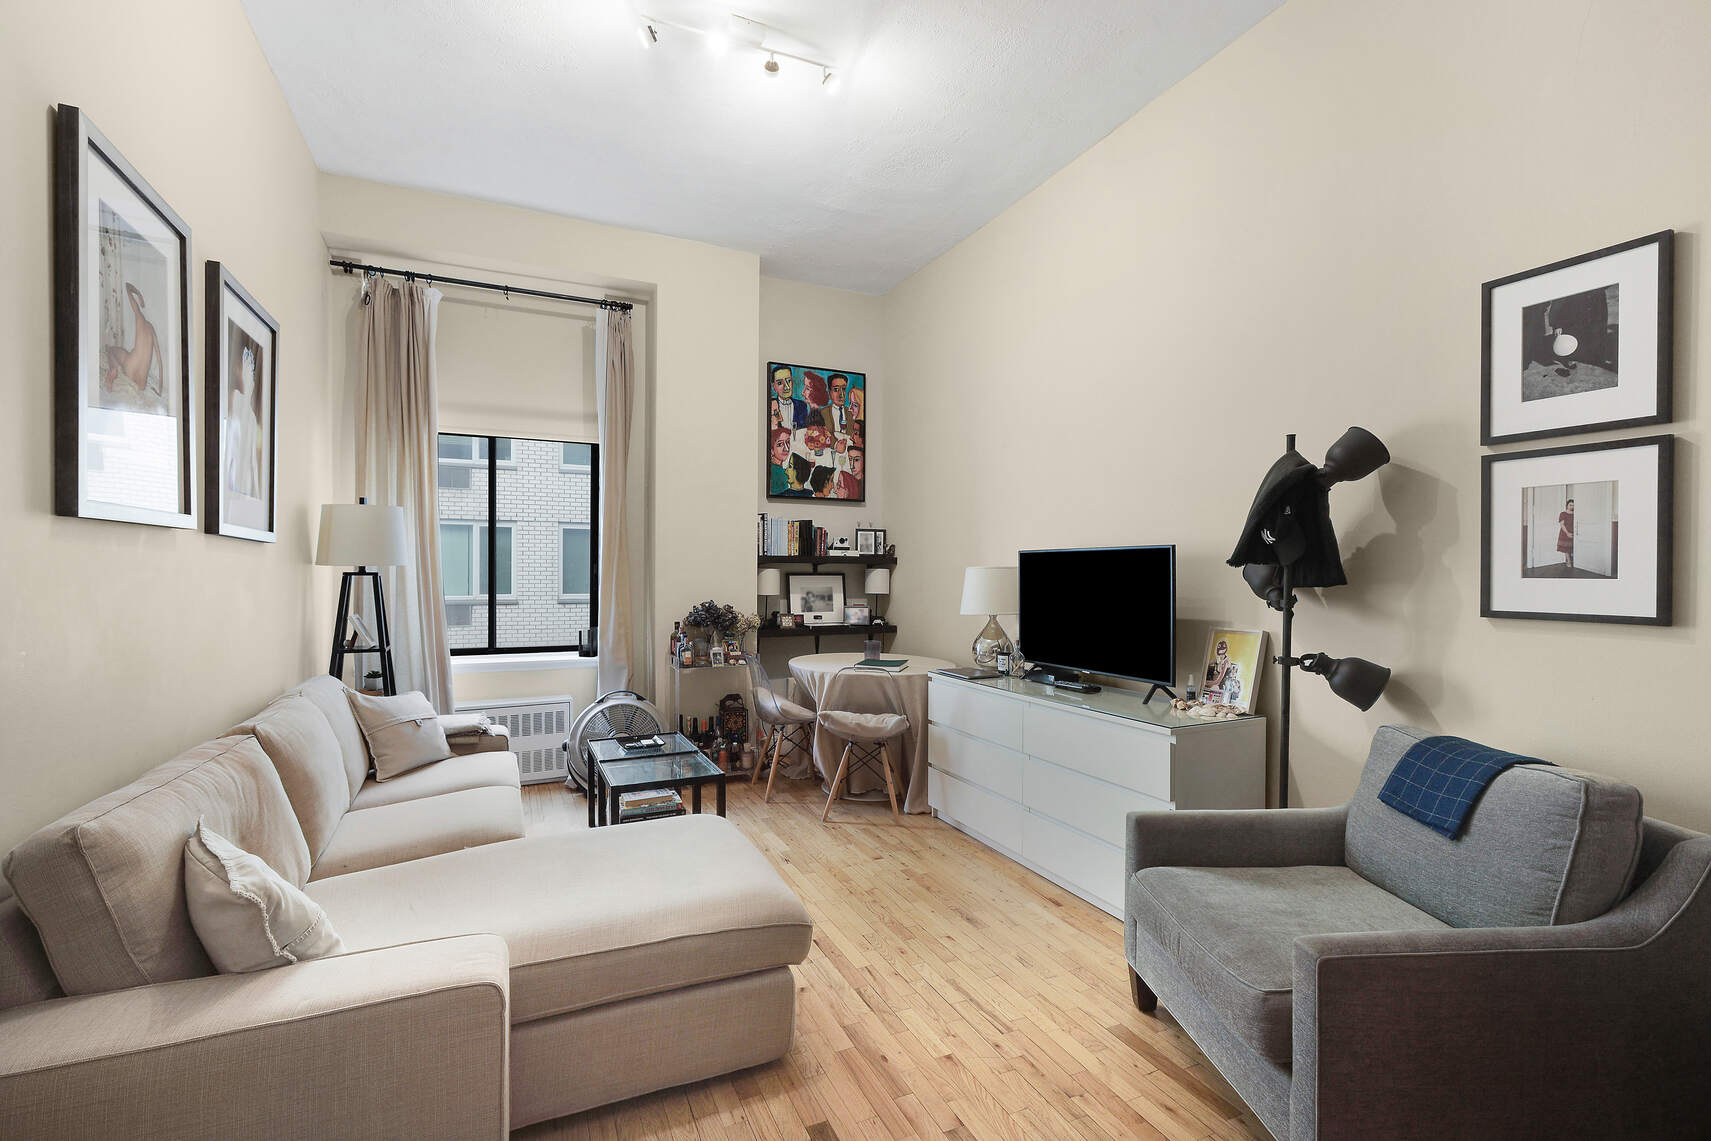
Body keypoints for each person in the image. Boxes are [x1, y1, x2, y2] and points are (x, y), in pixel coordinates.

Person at [225, 345, 263, 499]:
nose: (251, 381)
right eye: (247, 372)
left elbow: (254, 464)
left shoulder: (250, 417)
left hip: (241, 490)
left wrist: (257, 496)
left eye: (252, 375)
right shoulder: (232, 404)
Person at [768, 365, 809, 431]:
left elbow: (804, 431)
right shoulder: (771, 405)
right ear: (774, 387)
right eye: (780, 383)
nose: (786, 387)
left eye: (789, 381)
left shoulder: (801, 406)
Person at [767, 428, 799, 495]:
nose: (786, 448)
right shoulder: (780, 475)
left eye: (787, 442)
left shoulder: (774, 467)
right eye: (780, 444)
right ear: (771, 450)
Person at [1557, 498, 1576, 570]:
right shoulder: (1563, 513)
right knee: (1566, 548)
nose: (1572, 507)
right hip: (1565, 532)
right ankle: (1569, 562)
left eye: (1573, 505)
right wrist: (1567, 533)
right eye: (1570, 505)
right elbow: (1562, 524)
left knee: (1573, 547)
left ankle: (1573, 561)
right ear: (1567, 505)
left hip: (1574, 532)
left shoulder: (1576, 514)